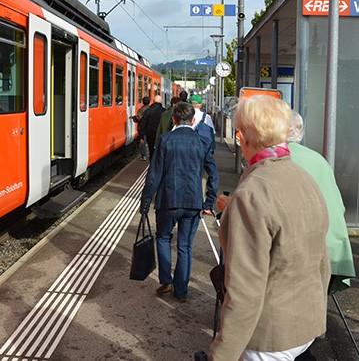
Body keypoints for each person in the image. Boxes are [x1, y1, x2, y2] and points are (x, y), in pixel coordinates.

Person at [208, 95, 329, 361]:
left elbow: (245, 289)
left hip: (269, 336)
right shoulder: (305, 179)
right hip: (305, 324)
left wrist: (222, 353)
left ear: (244, 137)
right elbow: (322, 260)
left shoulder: (251, 193)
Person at [139, 101, 218, 302]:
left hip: (168, 200)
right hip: (193, 202)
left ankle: (166, 281)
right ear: (193, 120)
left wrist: (146, 202)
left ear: (174, 119)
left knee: (163, 238)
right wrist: (208, 202)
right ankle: (181, 291)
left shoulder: (165, 140)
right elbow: (213, 174)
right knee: (185, 246)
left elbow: (154, 175)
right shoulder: (201, 142)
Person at [287, 112, 355, 293]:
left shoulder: (277, 160)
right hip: (333, 251)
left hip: (299, 258)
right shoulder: (318, 159)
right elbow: (338, 206)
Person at [131, 96, 150, 160]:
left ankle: (144, 156)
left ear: (143, 102)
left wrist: (133, 118)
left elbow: (138, 118)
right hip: (149, 127)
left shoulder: (142, 109)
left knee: (142, 141)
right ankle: (147, 154)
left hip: (142, 127)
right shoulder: (150, 108)